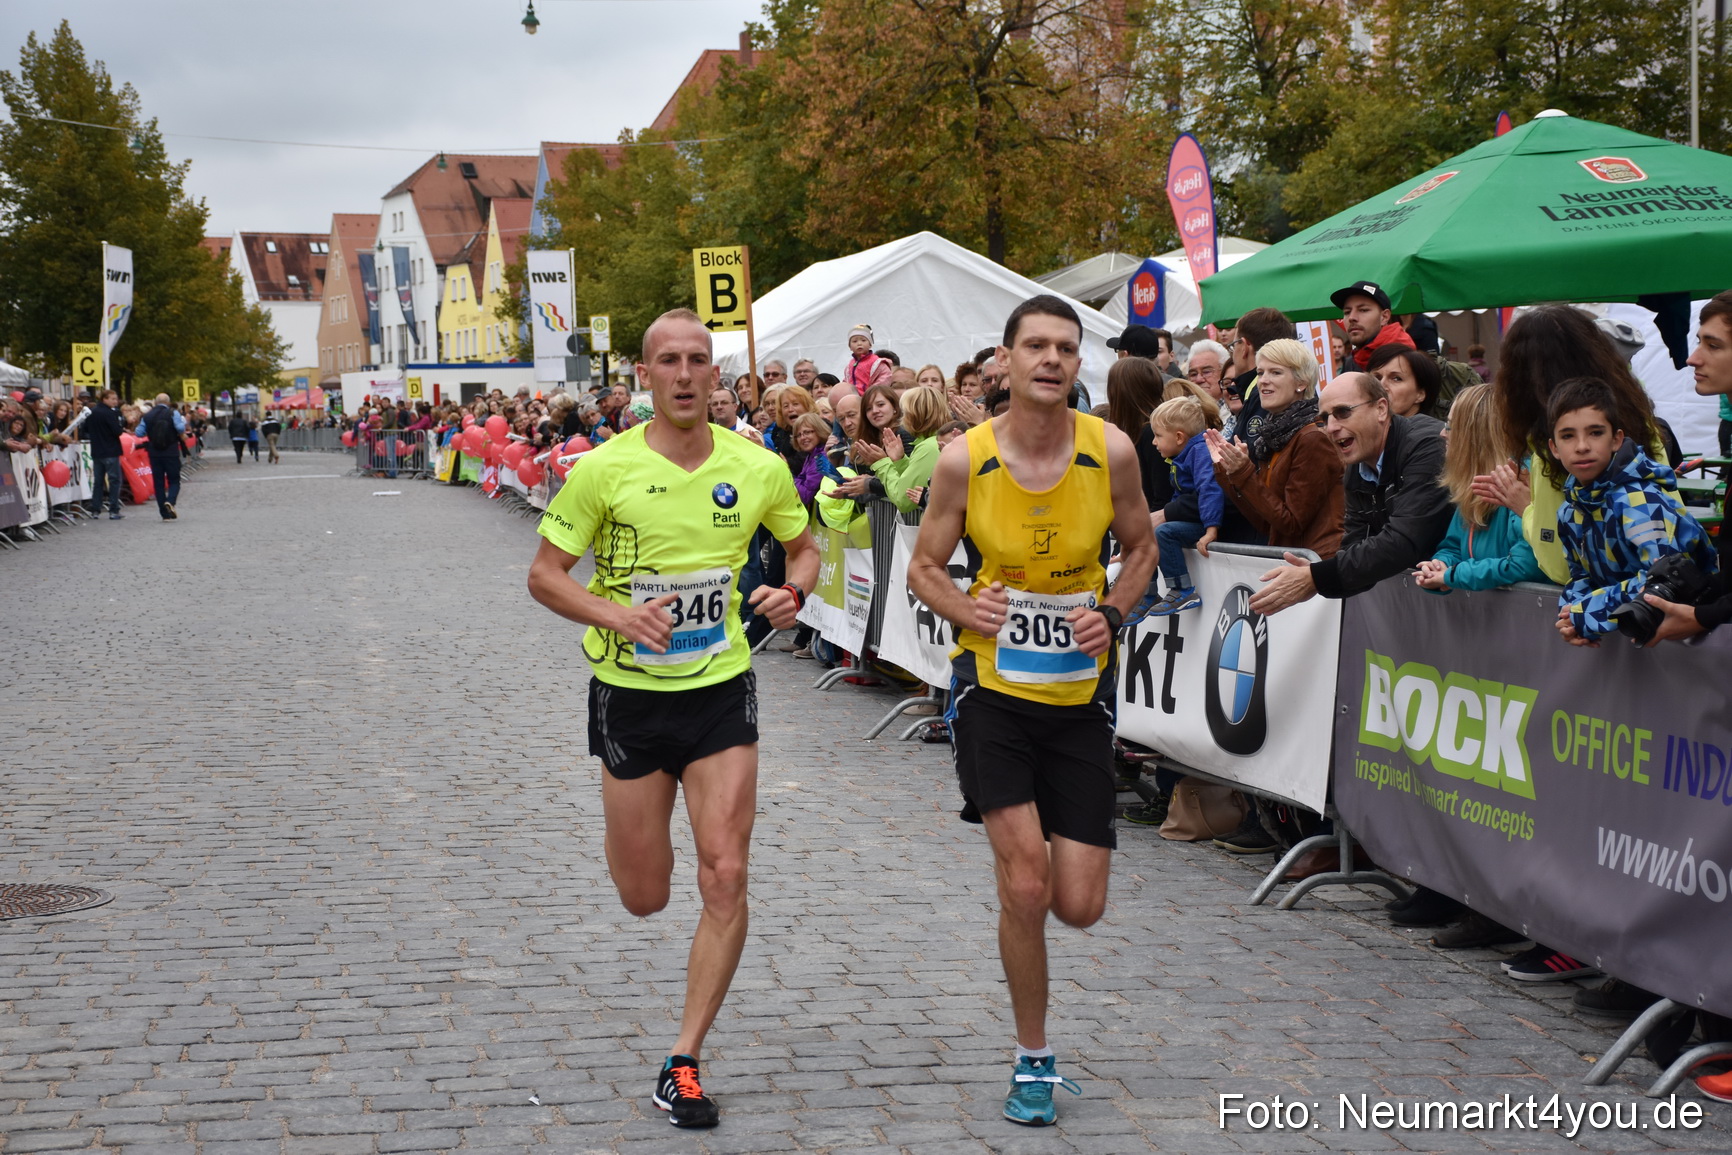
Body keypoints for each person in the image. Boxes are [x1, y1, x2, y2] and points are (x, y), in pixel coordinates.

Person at [526, 307, 819, 1130]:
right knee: (645, 893)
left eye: (699, 360)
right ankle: (633, 843)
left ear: (715, 374)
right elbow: (545, 575)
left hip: (721, 687)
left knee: (725, 873)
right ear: (646, 375)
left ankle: (683, 1058)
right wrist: (618, 615)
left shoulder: (754, 464)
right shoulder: (603, 469)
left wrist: (794, 590)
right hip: (630, 694)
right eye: (669, 361)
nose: (686, 374)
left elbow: (805, 546)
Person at [907, 294, 1157, 1128]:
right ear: (1005, 361)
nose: (1052, 359)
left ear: (1079, 363)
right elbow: (924, 567)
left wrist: (1112, 612)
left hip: (1078, 695)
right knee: (1025, 882)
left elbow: (1142, 549)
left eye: (1066, 348)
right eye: (1036, 346)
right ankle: (1033, 1058)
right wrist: (966, 609)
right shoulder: (963, 459)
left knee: (1079, 903)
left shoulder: (1111, 449)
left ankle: (1031, 886)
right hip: (992, 692)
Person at [1250, 372, 1452, 616]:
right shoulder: (1357, 467)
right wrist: (1318, 575)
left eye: (1343, 412)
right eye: (1324, 419)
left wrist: (1317, 576)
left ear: (1381, 409)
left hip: (1471, 602)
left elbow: (1404, 541)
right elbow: (1357, 547)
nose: (1331, 427)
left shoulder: (1426, 445)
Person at [1548, 377, 1717, 645]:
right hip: (1639, 635)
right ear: (1554, 448)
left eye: (1595, 433)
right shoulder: (1569, 511)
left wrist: (1588, 615)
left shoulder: (1639, 501)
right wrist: (1572, 618)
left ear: (1616, 440)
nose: (1581, 446)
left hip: (1698, 640)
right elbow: (1581, 576)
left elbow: (1664, 583)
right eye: (1568, 436)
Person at [1206, 337, 1344, 560]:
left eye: (1276, 372)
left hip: (1317, 566)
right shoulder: (1275, 436)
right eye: (1260, 373)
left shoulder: (1312, 438)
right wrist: (1229, 470)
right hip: (1293, 562)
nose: (1264, 381)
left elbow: (1291, 524)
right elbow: (1265, 522)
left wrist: (1244, 473)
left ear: (1301, 383)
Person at [1127, 396, 1222, 620]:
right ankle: (1147, 593)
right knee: (1145, 531)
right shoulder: (1183, 456)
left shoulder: (1200, 452)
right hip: (1196, 521)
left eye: (1158, 436)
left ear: (1179, 437)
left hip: (1205, 523)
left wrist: (1211, 529)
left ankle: (1182, 590)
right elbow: (1180, 497)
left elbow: (1210, 490)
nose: (1153, 442)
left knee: (1163, 532)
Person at [1333, 281, 1416, 369]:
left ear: (1384, 317)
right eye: (1347, 312)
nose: (1351, 317)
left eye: (1363, 310)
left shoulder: (1405, 359)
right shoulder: (1352, 362)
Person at [138, 396, 186, 521]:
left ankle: (164, 514)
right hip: (171, 451)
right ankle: (170, 501)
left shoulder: (147, 415)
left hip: (154, 452)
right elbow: (180, 428)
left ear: (156, 402)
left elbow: (139, 432)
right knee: (174, 480)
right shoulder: (172, 413)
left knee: (158, 483)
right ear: (168, 402)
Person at [1366, 345, 1442, 419]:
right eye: (1377, 377)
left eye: (1396, 379)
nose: (1381, 385)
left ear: (1420, 394)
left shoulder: (1434, 428)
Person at [85, 389, 127, 519]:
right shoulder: (110, 413)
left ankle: (95, 509)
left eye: (116, 399)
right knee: (114, 480)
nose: (115, 401)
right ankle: (113, 509)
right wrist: (121, 424)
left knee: (98, 481)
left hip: (97, 451)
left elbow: (85, 429)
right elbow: (117, 431)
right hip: (110, 450)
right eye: (113, 399)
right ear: (105, 399)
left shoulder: (92, 412)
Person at [844, 325, 891, 394]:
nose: (859, 343)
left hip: (870, 396)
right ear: (850, 347)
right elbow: (846, 380)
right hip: (852, 397)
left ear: (870, 344)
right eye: (854, 341)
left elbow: (885, 376)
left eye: (863, 340)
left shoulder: (876, 362)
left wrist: (872, 391)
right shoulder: (850, 365)